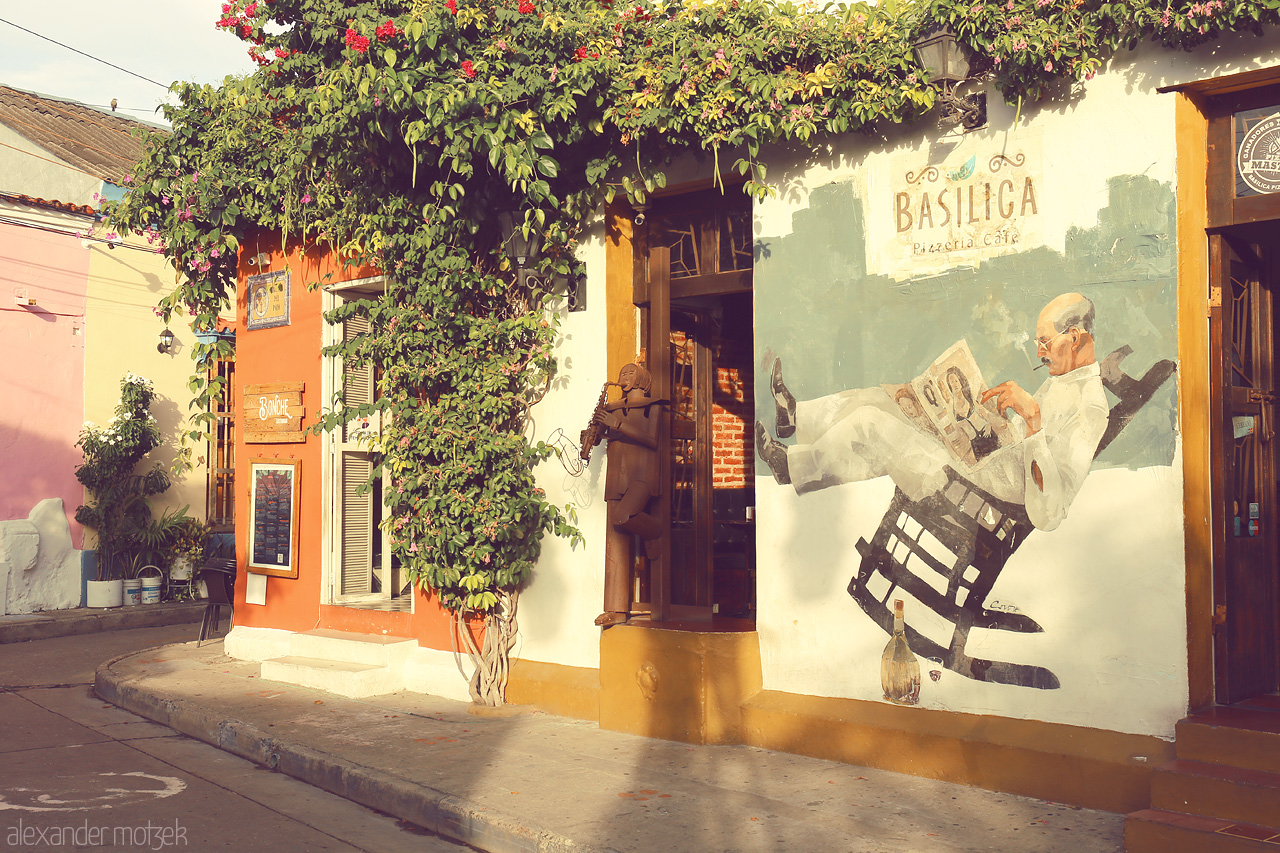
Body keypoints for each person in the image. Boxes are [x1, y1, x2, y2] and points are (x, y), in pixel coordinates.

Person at [756, 293, 1108, 531]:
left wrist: (1032, 421)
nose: (1040, 353)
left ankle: (790, 468)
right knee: (886, 399)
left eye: (1045, 343)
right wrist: (986, 416)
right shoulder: (1065, 380)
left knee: (871, 424)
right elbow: (1022, 445)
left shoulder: (1090, 407)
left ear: (1074, 338)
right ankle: (796, 416)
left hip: (976, 500)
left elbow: (1049, 513)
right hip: (976, 468)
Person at [594, 363, 663, 627]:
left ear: (642, 378)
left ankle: (654, 530)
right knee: (615, 538)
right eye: (622, 373)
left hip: (642, 473)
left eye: (630, 373)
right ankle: (615, 610)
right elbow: (607, 435)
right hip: (616, 474)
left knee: (623, 516)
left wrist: (618, 424)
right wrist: (595, 435)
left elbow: (653, 439)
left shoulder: (653, 404)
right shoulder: (612, 407)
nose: (624, 376)